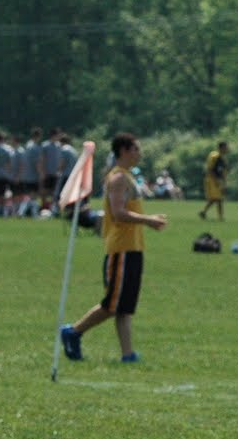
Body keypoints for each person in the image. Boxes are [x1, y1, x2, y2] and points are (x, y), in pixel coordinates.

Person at [60, 133, 169, 364]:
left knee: (125, 306)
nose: (139, 153)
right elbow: (118, 213)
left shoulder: (128, 177)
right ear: (125, 151)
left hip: (133, 247)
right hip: (121, 248)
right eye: (136, 149)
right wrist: (148, 220)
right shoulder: (118, 178)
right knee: (112, 304)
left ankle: (128, 354)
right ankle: (73, 332)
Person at [200, 140, 228, 220]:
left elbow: (223, 172)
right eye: (226, 147)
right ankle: (220, 217)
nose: (227, 149)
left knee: (215, 198)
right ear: (221, 148)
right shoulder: (214, 156)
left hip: (218, 180)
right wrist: (215, 180)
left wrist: (224, 182)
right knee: (218, 198)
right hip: (212, 179)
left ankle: (203, 212)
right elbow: (210, 169)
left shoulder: (223, 158)